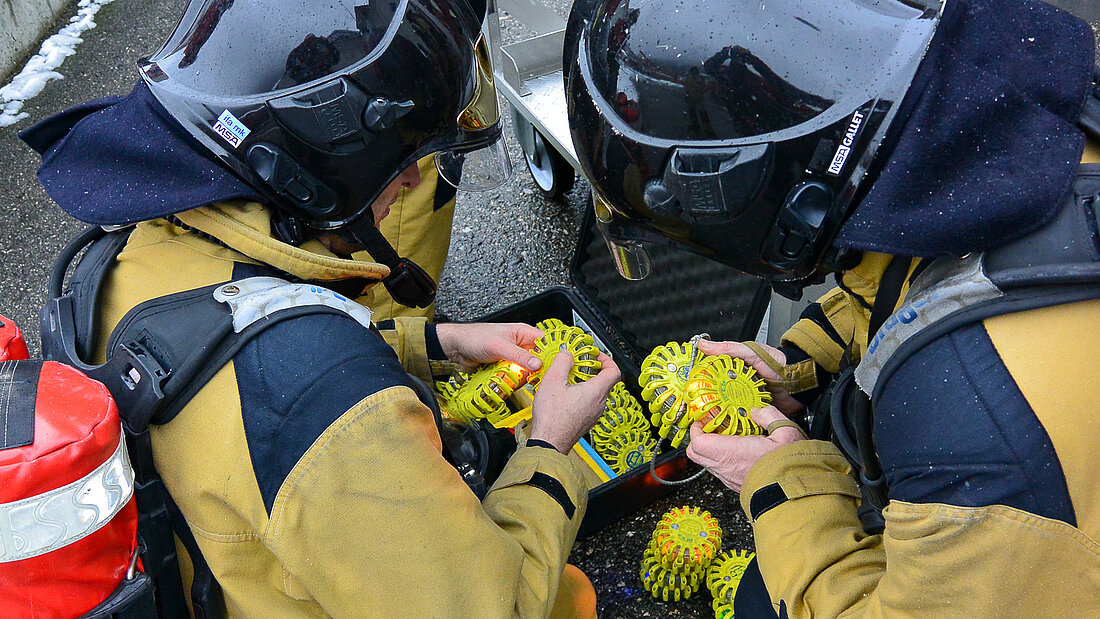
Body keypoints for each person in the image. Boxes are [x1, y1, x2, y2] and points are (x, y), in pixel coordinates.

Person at [21, 0, 618, 616]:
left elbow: (242, 352)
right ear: (322, 177)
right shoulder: (342, 421)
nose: (415, 182)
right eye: (402, 161)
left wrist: (437, 344)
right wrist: (549, 446)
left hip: (225, 563)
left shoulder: (146, 243)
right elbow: (496, 608)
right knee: (568, 597)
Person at [566, 0, 1100, 616]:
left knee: (758, 600)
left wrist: (782, 483)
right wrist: (799, 365)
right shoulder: (1014, 126)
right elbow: (916, 282)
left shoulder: (974, 441)